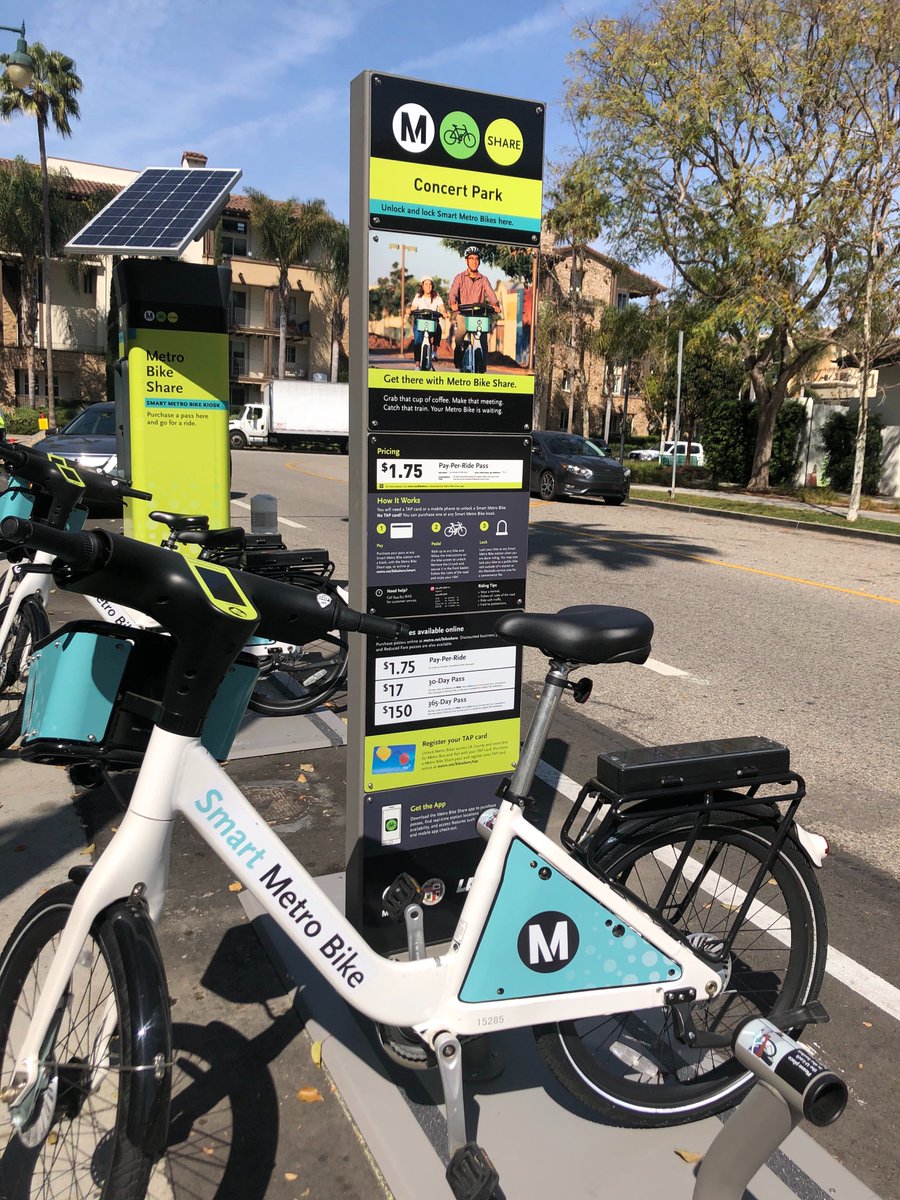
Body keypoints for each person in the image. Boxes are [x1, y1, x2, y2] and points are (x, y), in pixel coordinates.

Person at [448, 247, 501, 370]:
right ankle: (459, 350)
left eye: (477, 259)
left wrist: (496, 305)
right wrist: (453, 303)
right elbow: (453, 293)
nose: (474, 261)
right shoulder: (459, 277)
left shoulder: (483, 279)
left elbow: (491, 293)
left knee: (483, 340)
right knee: (460, 332)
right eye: (471, 258)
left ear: (479, 261)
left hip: (479, 314)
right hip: (463, 313)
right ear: (466, 261)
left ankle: (482, 367)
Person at [409, 276, 448, 366]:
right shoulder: (418, 296)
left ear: (432, 286)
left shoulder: (436, 296)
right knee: (418, 341)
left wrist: (444, 313)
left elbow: (442, 308)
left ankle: (434, 352)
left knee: (438, 329)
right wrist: (410, 311)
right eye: (426, 284)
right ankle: (417, 364)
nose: (428, 286)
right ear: (422, 286)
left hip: (432, 322)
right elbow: (413, 308)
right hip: (420, 322)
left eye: (430, 284)